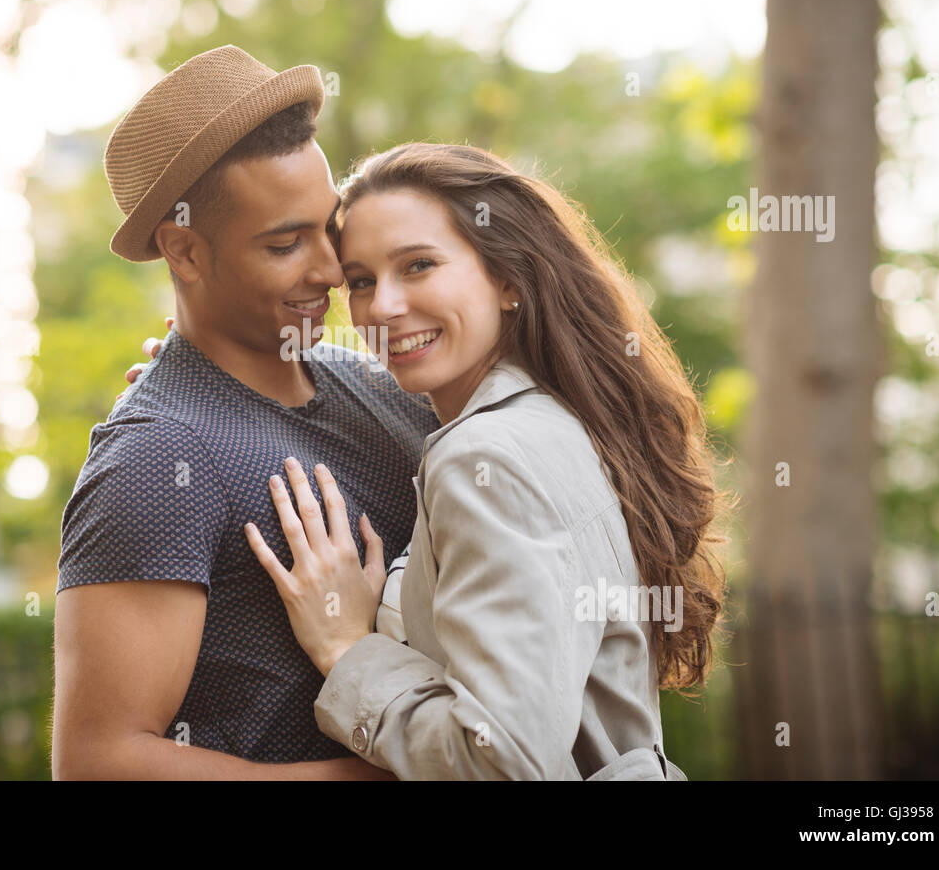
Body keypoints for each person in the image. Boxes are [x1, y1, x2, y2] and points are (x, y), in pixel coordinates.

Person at [235, 143, 728, 779]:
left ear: (508, 279)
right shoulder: (553, 422)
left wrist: (346, 650)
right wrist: (218, 373)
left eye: (418, 265)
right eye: (360, 281)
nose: (382, 306)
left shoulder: (484, 457)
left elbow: (500, 760)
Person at [50, 46, 439, 779]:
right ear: (185, 251)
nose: (328, 268)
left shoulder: (381, 388)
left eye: (329, 228)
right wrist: (413, 771)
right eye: (285, 244)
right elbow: (97, 761)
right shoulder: (154, 457)